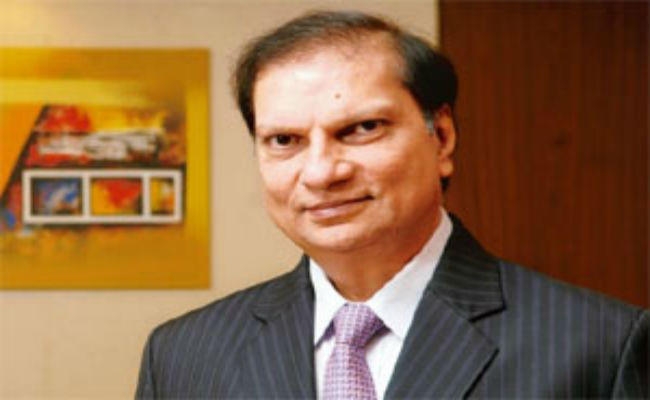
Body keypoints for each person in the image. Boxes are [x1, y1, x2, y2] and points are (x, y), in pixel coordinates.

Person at [136, 10, 648, 399]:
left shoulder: (598, 347)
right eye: (285, 141)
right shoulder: (183, 356)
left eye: (362, 129)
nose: (321, 172)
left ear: (441, 137)